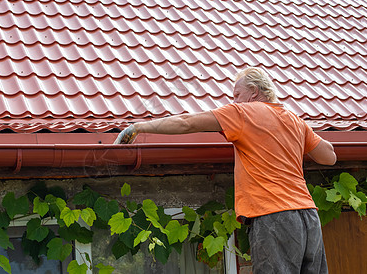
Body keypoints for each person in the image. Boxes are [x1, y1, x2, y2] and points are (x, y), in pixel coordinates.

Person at [114, 67, 336, 274]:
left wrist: (138, 127)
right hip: (309, 218)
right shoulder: (295, 121)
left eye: (237, 95)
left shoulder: (243, 113)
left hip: (273, 216)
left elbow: (186, 123)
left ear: (254, 93)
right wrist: (301, 135)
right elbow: (329, 156)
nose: (234, 100)